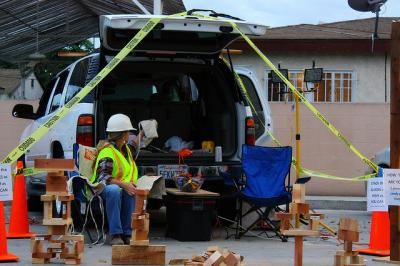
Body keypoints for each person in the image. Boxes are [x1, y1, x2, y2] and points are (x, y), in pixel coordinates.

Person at [91, 113, 141, 245]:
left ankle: (127, 233)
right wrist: (125, 185)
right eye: (128, 132)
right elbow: (103, 177)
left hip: (119, 186)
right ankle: (115, 234)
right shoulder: (107, 152)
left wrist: (142, 134)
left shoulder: (125, 150)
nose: (130, 134)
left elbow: (134, 146)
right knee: (114, 190)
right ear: (123, 134)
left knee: (129, 191)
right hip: (101, 188)